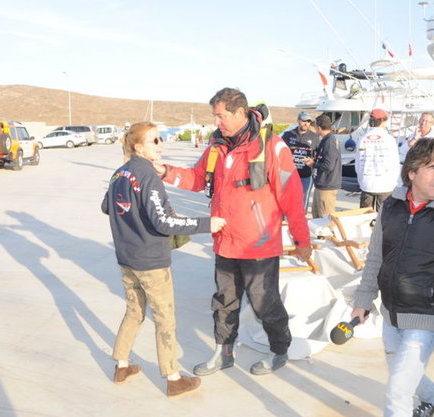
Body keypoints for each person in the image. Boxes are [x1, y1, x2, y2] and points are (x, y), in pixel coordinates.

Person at [156, 88, 312, 376]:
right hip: (225, 242)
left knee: (264, 302)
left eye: (221, 116)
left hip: (259, 245)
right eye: (214, 116)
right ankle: (223, 353)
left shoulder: (272, 146)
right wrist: (166, 172)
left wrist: (302, 239)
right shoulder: (217, 147)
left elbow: (291, 197)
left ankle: (279, 350)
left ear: (240, 112)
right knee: (224, 302)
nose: (216, 122)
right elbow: (197, 179)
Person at [350, 137, 434, 417]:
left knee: (397, 392)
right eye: (433, 167)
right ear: (412, 172)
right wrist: (363, 301)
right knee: (402, 372)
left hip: (428, 316)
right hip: (392, 312)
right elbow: (376, 258)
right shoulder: (391, 206)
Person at [101, 122, 226, 397]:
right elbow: (164, 222)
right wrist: (207, 223)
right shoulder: (147, 176)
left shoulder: (119, 173)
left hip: (126, 257)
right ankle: (172, 377)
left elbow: (107, 206)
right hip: (150, 261)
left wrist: (131, 219)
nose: (160, 145)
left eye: (160, 139)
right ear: (138, 147)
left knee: (134, 311)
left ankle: (121, 365)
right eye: (154, 141)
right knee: (165, 319)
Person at [355, 108, 400, 211]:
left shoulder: (362, 138)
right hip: (385, 185)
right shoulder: (389, 139)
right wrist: (394, 182)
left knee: (364, 216)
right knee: (383, 216)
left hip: (366, 183)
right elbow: (395, 164)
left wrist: (361, 180)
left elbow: (357, 164)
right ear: (383, 121)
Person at [281, 111, 320, 208]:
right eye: (304, 120)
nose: (306, 123)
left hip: (306, 176)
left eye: (308, 121)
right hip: (289, 175)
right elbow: (279, 152)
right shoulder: (288, 135)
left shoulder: (315, 137)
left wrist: (313, 162)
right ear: (298, 120)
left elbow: (319, 155)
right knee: (287, 202)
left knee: (302, 203)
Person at [308, 114, 341, 218]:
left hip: (327, 186)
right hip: (321, 185)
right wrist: (315, 159)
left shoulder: (330, 142)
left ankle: (328, 230)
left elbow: (328, 165)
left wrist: (313, 164)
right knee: (316, 216)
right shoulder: (325, 140)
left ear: (319, 127)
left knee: (326, 219)